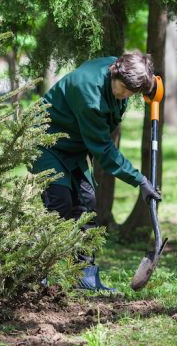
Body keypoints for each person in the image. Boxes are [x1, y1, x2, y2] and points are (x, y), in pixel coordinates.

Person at [32, 52, 162, 292]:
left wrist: (152, 88)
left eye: (131, 94)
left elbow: (143, 80)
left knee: (87, 202)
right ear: (115, 72)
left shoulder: (123, 67)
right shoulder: (90, 95)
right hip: (45, 142)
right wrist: (139, 180)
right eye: (123, 89)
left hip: (74, 145)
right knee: (58, 204)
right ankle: (41, 276)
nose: (124, 96)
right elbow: (103, 149)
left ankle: (85, 276)